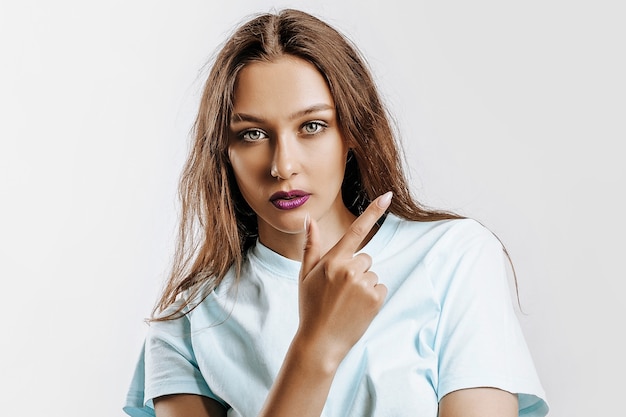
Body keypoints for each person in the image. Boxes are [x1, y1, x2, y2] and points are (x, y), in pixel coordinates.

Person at [123, 8, 549, 417]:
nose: (283, 165)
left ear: (352, 133)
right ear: (224, 153)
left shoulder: (454, 257)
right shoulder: (187, 323)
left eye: (312, 126)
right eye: (252, 134)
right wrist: (316, 347)